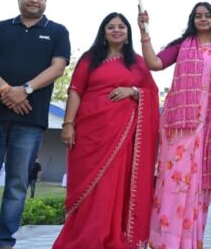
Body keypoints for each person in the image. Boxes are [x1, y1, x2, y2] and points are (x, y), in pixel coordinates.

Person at [0, 0, 70, 249]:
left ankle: (4, 243)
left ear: (46, 0)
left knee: (16, 186)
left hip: (30, 123)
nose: (34, 0)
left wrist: (26, 89)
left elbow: (57, 68)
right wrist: (7, 91)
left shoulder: (57, 32)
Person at [52, 13, 159, 249]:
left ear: (128, 33)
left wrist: (133, 91)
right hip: (89, 133)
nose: (116, 30)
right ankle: (83, 239)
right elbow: (75, 91)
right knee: (87, 186)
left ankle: (110, 237)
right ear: (103, 32)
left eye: (121, 26)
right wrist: (68, 124)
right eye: (111, 27)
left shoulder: (137, 62)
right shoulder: (90, 59)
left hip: (122, 137)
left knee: (112, 187)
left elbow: (152, 93)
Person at [138, 2, 211, 249]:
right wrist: (144, 32)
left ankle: (193, 242)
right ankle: (166, 241)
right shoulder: (182, 45)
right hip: (181, 127)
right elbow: (154, 63)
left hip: (210, 126)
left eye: (207, 15)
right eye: (198, 16)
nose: (203, 19)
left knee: (200, 185)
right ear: (192, 19)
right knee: (174, 181)